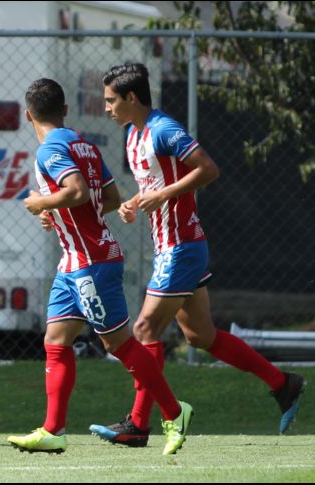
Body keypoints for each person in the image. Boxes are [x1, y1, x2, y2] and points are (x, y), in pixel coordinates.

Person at [89, 63, 305, 447]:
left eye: (110, 100)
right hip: (170, 247)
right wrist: (136, 202)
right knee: (200, 335)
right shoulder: (133, 135)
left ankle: (138, 424)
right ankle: (283, 383)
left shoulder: (164, 129)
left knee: (143, 331)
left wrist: (162, 196)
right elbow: (157, 184)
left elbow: (208, 169)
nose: (106, 107)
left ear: (132, 97)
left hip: (182, 247)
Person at [6, 78, 193, 456]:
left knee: (119, 344)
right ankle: (52, 430)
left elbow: (75, 191)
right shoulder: (83, 144)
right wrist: (58, 214)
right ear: (64, 110)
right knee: (56, 340)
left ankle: (175, 412)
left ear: (29, 115)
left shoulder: (50, 149)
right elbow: (108, 197)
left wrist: (43, 203)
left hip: (90, 263)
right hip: (73, 262)